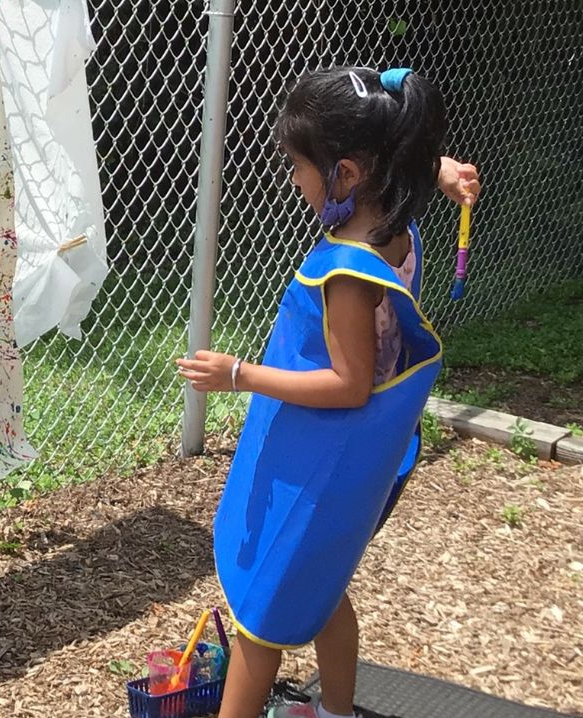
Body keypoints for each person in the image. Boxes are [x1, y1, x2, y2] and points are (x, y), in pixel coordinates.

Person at [175, 67, 479, 718]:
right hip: (362, 464)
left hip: (322, 463)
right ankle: (337, 713)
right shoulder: (398, 229)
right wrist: (444, 173)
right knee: (324, 588)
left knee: (261, 618)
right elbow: (403, 164)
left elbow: (347, 385)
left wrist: (239, 375)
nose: (293, 180)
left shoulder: (347, 272)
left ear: (347, 173)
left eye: (299, 166)